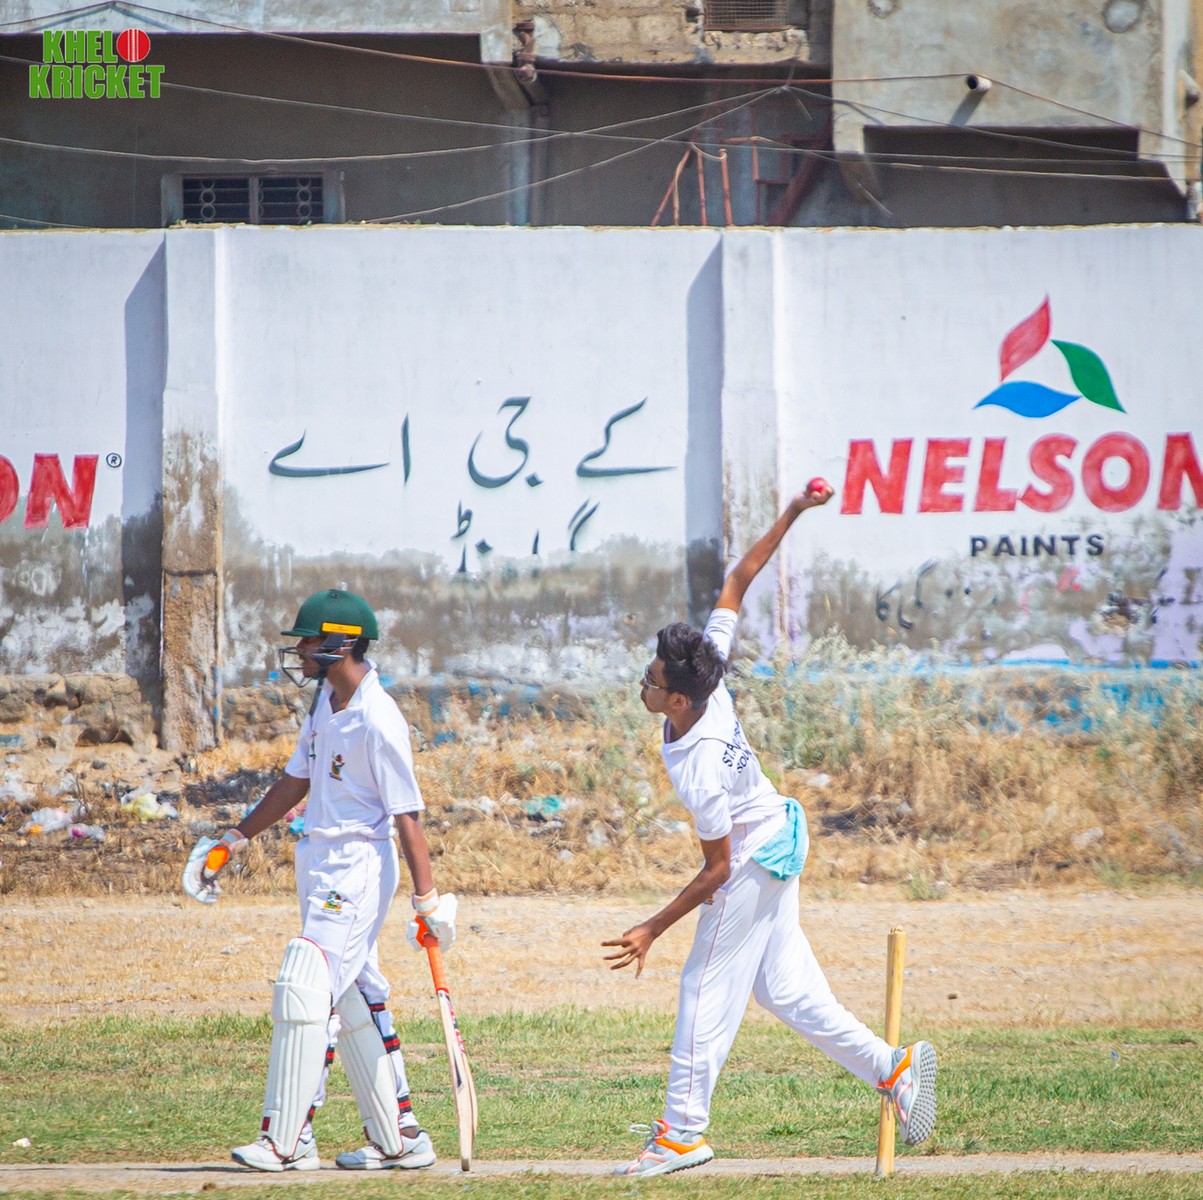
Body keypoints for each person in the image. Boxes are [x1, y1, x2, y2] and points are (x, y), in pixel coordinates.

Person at [602, 482, 937, 1177]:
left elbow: (717, 870)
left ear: (676, 698)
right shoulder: (708, 672)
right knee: (785, 992)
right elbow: (738, 580)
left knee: (702, 987)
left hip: (754, 856)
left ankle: (682, 1134)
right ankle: (892, 1067)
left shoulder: (700, 763)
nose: (642, 683)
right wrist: (793, 511)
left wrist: (652, 928)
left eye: (650, 679)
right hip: (780, 831)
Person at [182, 588, 457, 1172]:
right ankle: (399, 1138)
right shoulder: (326, 703)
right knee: (356, 993)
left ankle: (287, 1139)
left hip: (358, 865)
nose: (301, 651)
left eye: (308, 641)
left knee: (307, 986)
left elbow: (407, 816)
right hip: (320, 859)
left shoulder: (378, 719)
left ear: (342, 643)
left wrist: (427, 901)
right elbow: (296, 780)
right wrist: (234, 839)